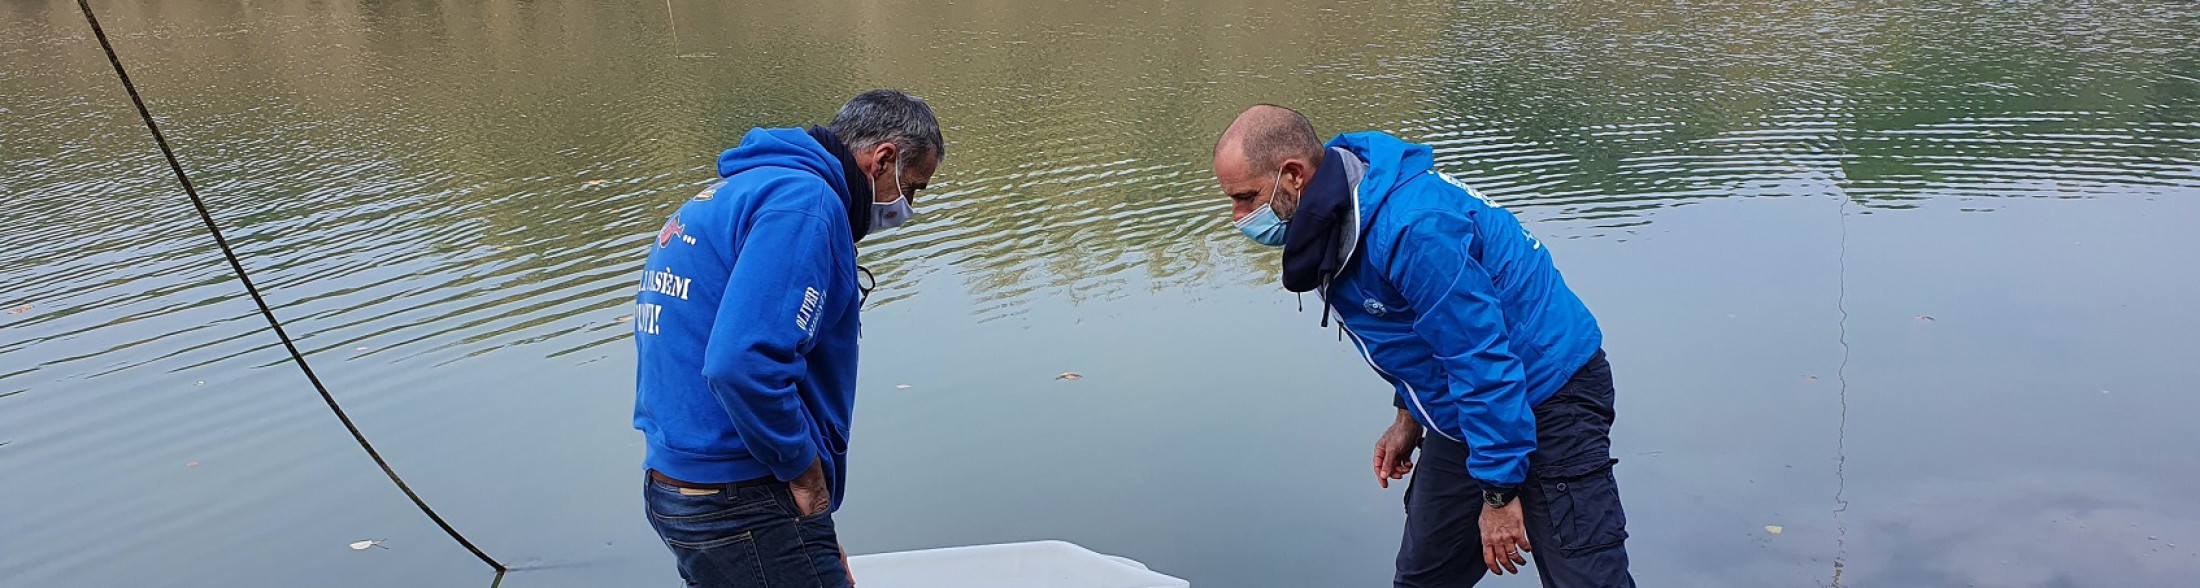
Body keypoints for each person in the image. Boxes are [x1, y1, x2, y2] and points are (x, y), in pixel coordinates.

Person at [1211, 104, 1633, 587]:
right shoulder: (1338, 206)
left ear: (1292, 176)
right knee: (1423, 580)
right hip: (1470, 405)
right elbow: (1414, 329)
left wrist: (1498, 495)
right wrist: (1409, 415)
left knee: (1587, 581)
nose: (1238, 216)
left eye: (1246, 198)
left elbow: (1480, 356)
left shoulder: (1413, 227)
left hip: (1550, 393)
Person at [632, 89, 942, 587]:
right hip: (740, 495)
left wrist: (814, 533)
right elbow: (743, 364)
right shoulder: (806, 204)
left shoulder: (742, 191)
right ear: (884, 158)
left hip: (680, 486)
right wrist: (806, 481)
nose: (907, 206)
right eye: (914, 187)